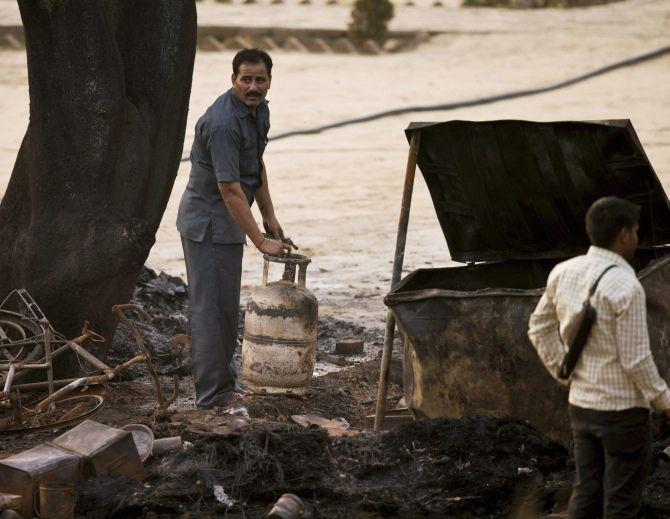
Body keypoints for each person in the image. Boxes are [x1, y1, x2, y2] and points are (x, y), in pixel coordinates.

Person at [528, 196, 670, 518]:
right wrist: (664, 400)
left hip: (581, 407)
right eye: (635, 232)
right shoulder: (626, 286)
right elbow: (636, 360)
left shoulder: (563, 272)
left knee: (586, 498)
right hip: (622, 414)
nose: (636, 238)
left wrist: (563, 373)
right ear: (622, 235)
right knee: (620, 503)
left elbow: (538, 328)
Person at [176, 48, 291, 409]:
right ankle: (212, 398)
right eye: (246, 79)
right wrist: (260, 239)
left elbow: (254, 166)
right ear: (233, 80)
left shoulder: (259, 111)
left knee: (226, 307)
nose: (253, 86)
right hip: (209, 222)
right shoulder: (224, 123)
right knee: (210, 309)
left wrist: (269, 215)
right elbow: (228, 188)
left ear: (270, 80)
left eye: (260, 79)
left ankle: (223, 386)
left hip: (232, 217)